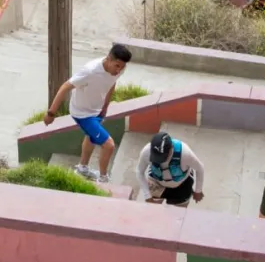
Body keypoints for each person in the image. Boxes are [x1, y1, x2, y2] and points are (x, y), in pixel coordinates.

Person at [44, 43, 133, 183]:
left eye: (122, 67)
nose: (119, 70)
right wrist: (51, 113)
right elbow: (65, 87)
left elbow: (112, 83)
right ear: (108, 58)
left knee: (91, 136)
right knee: (109, 145)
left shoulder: (118, 70)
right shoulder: (90, 71)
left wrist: (105, 107)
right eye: (117, 66)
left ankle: (82, 168)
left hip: (97, 109)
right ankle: (103, 179)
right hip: (82, 113)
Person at [136, 132, 205, 208]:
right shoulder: (146, 152)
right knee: (153, 211)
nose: (160, 161)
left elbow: (200, 168)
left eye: (162, 157)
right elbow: (139, 171)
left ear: (171, 148)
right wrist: (147, 195)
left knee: (179, 214)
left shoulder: (185, 153)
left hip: (181, 185)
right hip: (156, 182)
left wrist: (198, 190)